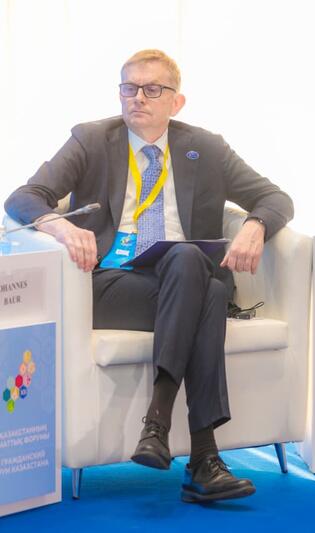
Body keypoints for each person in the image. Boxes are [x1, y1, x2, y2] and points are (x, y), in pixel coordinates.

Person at [4, 49, 293, 502]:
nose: (138, 97)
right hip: (112, 282)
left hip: (181, 279)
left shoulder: (207, 147)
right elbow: (23, 198)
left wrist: (255, 227)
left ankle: (159, 430)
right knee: (204, 289)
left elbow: (276, 198)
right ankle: (202, 457)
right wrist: (59, 225)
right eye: (129, 87)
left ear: (177, 102)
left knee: (190, 265)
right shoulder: (91, 140)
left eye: (152, 89)